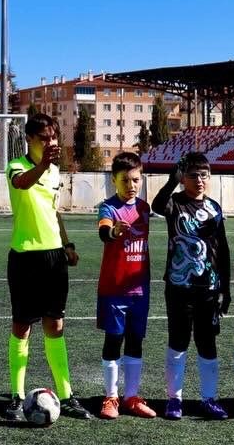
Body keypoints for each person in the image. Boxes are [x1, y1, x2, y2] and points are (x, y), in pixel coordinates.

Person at [3, 113, 92, 422]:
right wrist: (42, 165)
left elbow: (54, 212)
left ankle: (66, 395)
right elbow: (23, 185)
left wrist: (67, 245)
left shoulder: (54, 172)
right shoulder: (17, 166)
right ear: (29, 139)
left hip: (54, 259)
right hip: (24, 257)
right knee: (22, 326)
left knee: (55, 326)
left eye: (54, 138)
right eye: (44, 138)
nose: (50, 143)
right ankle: (16, 395)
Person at [150, 152, 230, 420]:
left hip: (208, 289)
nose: (199, 180)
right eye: (193, 175)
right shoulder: (175, 203)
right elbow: (157, 205)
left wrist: (225, 289)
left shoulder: (215, 209)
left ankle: (209, 398)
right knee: (179, 342)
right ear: (184, 177)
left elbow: (224, 250)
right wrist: (171, 182)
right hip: (178, 287)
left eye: (204, 175)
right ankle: (174, 399)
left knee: (207, 344)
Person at [96, 151, 155, 419]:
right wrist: (114, 232)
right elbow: (103, 232)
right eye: (125, 180)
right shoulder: (108, 206)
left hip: (139, 289)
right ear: (114, 181)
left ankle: (131, 396)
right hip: (114, 288)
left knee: (135, 341)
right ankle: (110, 397)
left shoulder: (144, 208)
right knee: (113, 340)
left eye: (136, 179)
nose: (131, 186)